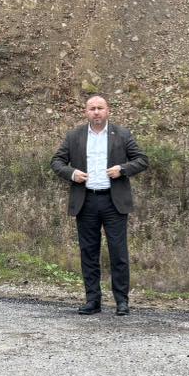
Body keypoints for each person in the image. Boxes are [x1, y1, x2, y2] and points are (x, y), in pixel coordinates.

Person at [51, 94, 148, 315]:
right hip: (86, 201)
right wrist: (72, 173)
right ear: (86, 112)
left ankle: (122, 301)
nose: (96, 112)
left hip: (113, 202)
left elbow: (142, 160)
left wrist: (122, 169)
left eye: (100, 108)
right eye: (92, 108)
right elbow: (56, 162)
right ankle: (92, 300)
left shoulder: (122, 134)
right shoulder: (74, 136)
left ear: (108, 111)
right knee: (89, 252)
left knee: (118, 253)